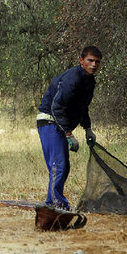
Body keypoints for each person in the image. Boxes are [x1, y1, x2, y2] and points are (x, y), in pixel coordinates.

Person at [36, 46, 102, 210]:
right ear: (81, 61)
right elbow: (56, 107)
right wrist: (68, 133)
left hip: (60, 124)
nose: (93, 64)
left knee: (63, 166)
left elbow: (82, 107)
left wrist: (87, 128)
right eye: (90, 60)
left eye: (97, 62)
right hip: (49, 122)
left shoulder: (89, 81)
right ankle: (55, 204)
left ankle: (54, 202)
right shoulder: (72, 79)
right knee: (59, 165)